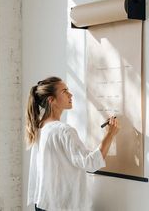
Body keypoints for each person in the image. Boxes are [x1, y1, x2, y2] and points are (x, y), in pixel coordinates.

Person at [25, 76, 119, 211]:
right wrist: (110, 134)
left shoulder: (40, 127)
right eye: (64, 91)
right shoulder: (64, 131)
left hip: (44, 203)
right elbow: (90, 163)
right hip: (62, 206)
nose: (71, 94)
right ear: (51, 100)